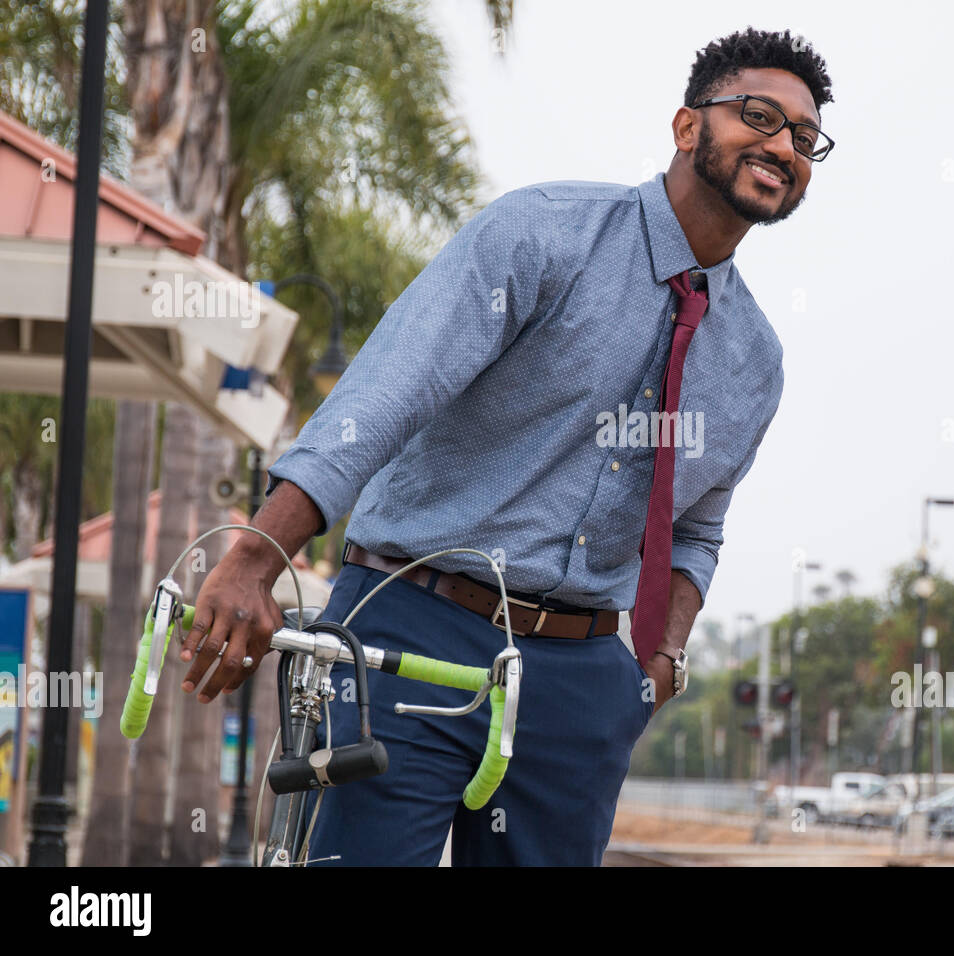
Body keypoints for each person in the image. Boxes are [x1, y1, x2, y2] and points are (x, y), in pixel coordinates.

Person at [178, 26, 834, 865]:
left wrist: (655, 664)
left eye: (804, 138)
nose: (783, 146)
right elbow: (382, 398)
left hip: (581, 682)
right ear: (686, 126)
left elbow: (695, 531)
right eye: (759, 116)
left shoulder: (755, 362)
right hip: (412, 631)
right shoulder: (542, 236)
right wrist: (257, 554)